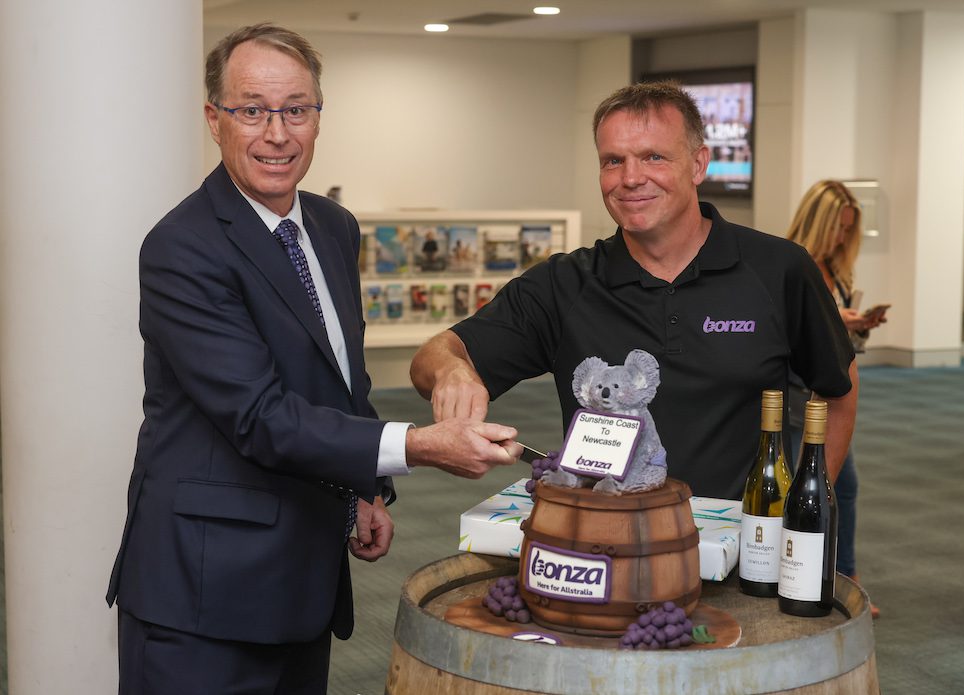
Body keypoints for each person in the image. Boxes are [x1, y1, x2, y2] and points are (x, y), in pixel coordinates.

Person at [106, 23, 521, 694]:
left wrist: (359, 488)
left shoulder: (331, 227)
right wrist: (417, 445)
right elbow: (259, 415)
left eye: (295, 109)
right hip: (204, 597)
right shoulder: (182, 248)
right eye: (252, 110)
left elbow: (337, 374)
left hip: (303, 577)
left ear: (318, 117)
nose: (277, 132)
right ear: (215, 119)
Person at [410, 80, 859, 501]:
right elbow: (435, 355)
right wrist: (452, 370)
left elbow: (838, 389)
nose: (630, 178)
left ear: (699, 164)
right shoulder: (564, 285)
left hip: (741, 546)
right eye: (613, 161)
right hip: (609, 535)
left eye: (654, 158)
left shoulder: (778, 269)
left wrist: (809, 501)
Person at [786, 179, 886, 615]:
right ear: (817, 222)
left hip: (830, 398)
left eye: (849, 229)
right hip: (793, 398)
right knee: (803, 487)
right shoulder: (789, 265)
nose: (842, 237)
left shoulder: (837, 271)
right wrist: (830, 320)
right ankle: (806, 575)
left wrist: (854, 326)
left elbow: (841, 355)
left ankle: (843, 575)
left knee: (843, 485)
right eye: (838, 227)